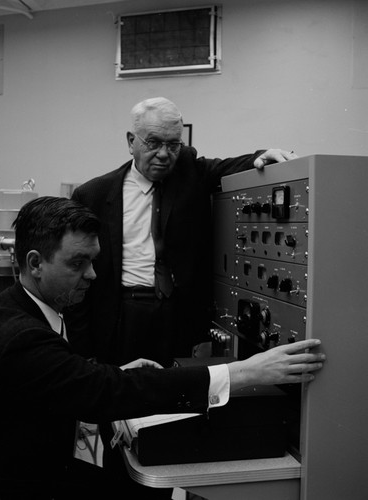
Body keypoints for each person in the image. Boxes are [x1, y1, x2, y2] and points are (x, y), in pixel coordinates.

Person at [0, 196, 324, 500]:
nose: (92, 275)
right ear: (35, 263)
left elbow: (66, 378)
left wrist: (113, 374)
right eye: (77, 264)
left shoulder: (36, 307)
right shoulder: (16, 333)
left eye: (94, 261)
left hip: (20, 461)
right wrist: (246, 371)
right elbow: (104, 392)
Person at [64, 96, 299, 499]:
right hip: (121, 314)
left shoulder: (189, 172)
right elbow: (81, 279)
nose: (164, 153)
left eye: (173, 144)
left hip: (176, 316)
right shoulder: (93, 194)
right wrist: (84, 349)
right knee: (116, 412)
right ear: (130, 140)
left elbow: (226, 166)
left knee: (171, 416)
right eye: (154, 142)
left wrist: (265, 154)